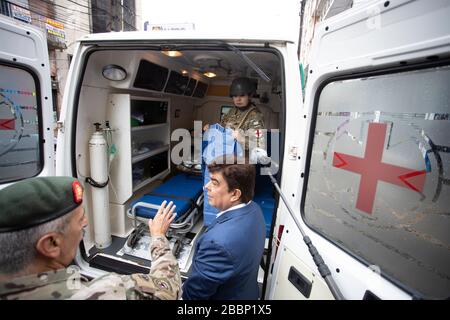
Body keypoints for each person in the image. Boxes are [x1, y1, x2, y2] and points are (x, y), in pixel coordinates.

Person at [0, 176, 181, 300]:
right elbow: (168, 289)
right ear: (51, 244)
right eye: (80, 220)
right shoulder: (103, 291)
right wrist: (158, 236)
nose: (86, 223)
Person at [182, 156, 266, 300]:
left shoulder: (217, 244)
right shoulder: (254, 209)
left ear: (235, 194)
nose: (206, 186)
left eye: (214, 183)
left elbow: (193, 297)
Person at [203, 77, 266, 154]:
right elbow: (222, 128)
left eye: (242, 95)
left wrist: (242, 139)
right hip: (225, 153)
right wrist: (211, 129)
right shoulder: (232, 111)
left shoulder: (255, 116)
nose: (238, 99)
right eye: (235, 96)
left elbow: (260, 146)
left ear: (250, 96)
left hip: (241, 160)